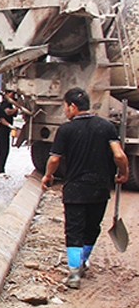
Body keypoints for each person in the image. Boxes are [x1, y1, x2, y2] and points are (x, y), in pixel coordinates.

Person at [41, 88, 128, 288]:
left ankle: (74, 274)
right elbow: (119, 155)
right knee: (92, 228)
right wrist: (123, 173)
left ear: (72, 106)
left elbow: (54, 159)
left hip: (74, 189)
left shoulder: (66, 130)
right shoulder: (106, 127)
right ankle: (83, 262)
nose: (65, 111)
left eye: (65, 106)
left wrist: (48, 175)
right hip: (100, 188)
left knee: (74, 231)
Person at [0, 89, 18, 176]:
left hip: (6, 130)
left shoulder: (11, 103)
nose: (13, 94)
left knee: (5, 150)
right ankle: (0, 170)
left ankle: (1, 169)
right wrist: (16, 108)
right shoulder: (5, 103)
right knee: (3, 150)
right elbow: (8, 112)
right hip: (2, 129)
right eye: (11, 92)